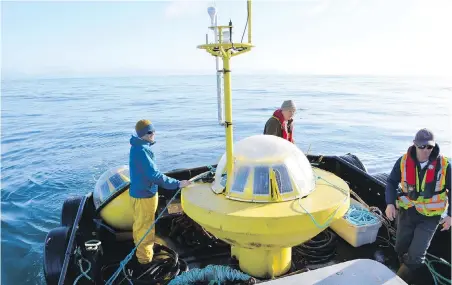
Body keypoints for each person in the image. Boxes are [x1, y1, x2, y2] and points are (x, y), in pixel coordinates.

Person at [384, 128, 451, 283]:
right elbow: (392, 182)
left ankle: (398, 280)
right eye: (422, 146)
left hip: (430, 217)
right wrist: (390, 204)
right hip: (407, 212)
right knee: (400, 246)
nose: (426, 150)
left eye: (430, 147)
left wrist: (450, 215)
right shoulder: (403, 161)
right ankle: (402, 267)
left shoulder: (445, 165)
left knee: (416, 256)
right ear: (415, 144)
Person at [129, 119, 191, 265]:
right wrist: (178, 184)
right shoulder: (142, 151)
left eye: (153, 131)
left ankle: (142, 251)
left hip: (138, 193)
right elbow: (155, 176)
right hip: (144, 196)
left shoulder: (137, 146)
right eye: (150, 132)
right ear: (143, 134)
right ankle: (145, 261)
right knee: (145, 227)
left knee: (140, 225)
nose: (153, 134)